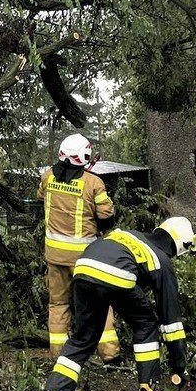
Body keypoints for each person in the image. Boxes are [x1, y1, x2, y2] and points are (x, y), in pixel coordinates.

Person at [40, 218, 193, 391]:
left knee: (83, 337)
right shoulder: (161, 260)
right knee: (146, 324)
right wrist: (179, 366)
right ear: (179, 246)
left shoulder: (130, 235)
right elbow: (171, 321)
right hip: (117, 275)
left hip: (83, 269)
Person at [38, 134, 119, 362]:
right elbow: (106, 216)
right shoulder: (94, 183)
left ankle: (60, 356)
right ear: (83, 156)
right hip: (86, 259)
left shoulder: (47, 177)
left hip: (54, 256)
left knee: (58, 304)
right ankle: (109, 353)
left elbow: (41, 198)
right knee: (99, 304)